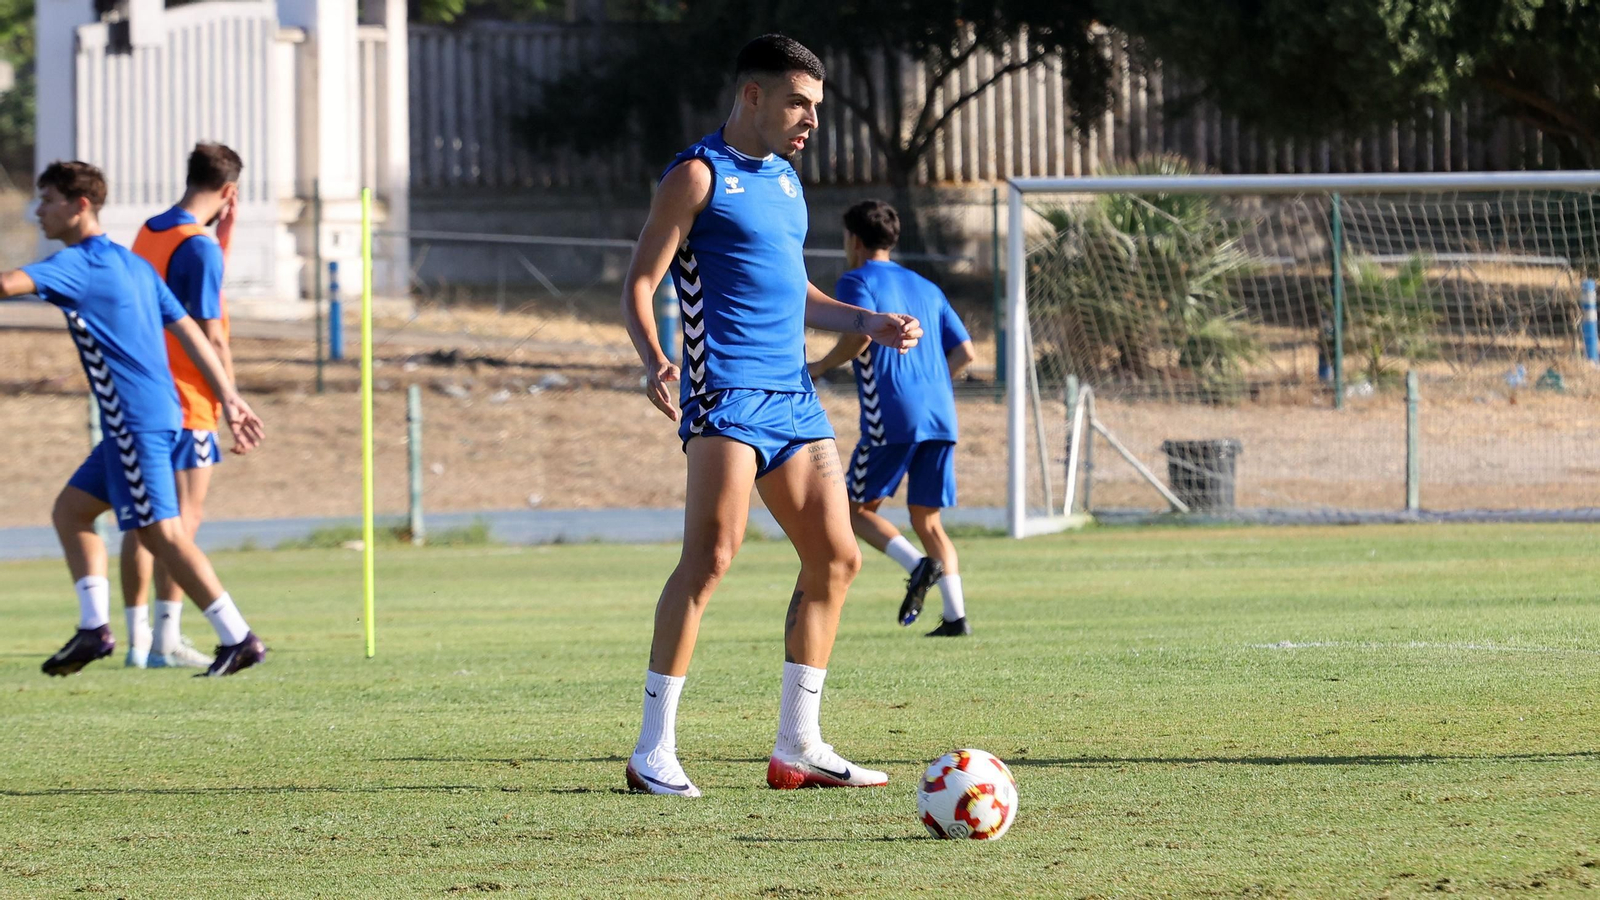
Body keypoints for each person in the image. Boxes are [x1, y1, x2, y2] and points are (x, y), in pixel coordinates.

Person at [618, 35, 922, 797]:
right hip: (724, 396)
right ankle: (652, 750)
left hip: (794, 400)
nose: (810, 120)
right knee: (711, 560)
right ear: (752, 96)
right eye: (798, 103)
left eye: (815, 107)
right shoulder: (695, 175)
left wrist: (867, 318)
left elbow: (798, 295)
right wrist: (655, 357)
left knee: (838, 558)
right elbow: (640, 282)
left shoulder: (787, 182)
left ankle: (798, 747)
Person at [0, 160, 270, 678]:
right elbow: (190, 330)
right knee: (72, 511)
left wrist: (229, 399)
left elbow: (9, 283)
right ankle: (93, 628)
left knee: (162, 535)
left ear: (80, 206)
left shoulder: (79, 264)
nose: (38, 211)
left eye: (48, 200)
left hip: (135, 423)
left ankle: (238, 637)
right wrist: (229, 397)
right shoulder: (131, 263)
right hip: (155, 416)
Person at [808, 199, 977, 637]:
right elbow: (965, 352)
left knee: (853, 508)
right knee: (928, 519)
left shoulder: (855, 279)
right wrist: (933, 382)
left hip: (894, 412)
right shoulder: (926, 286)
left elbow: (859, 336)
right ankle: (956, 618)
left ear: (855, 240)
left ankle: (919, 565)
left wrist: (820, 367)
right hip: (941, 414)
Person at [120, 142, 244, 669]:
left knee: (144, 521)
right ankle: (167, 641)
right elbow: (211, 334)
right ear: (230, 191)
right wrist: (232, 401)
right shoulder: (199, 248)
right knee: (182, 523)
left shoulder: (152, 232)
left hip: (141, 393)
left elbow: (179, 297)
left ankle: (137, 640)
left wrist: (224, 241)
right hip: (188, 400)